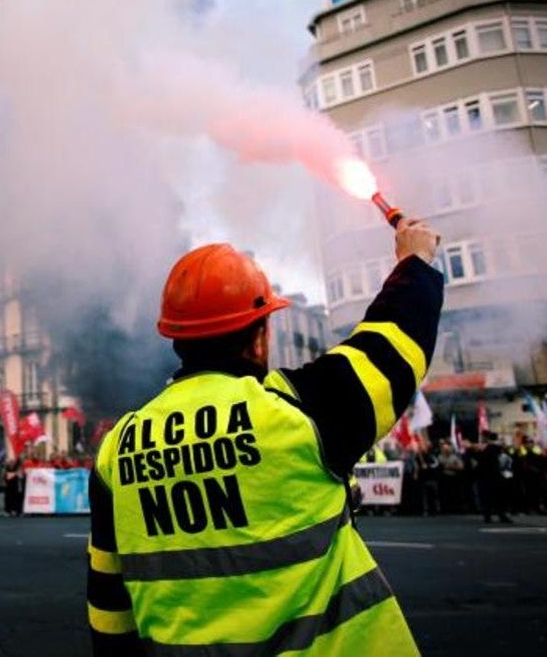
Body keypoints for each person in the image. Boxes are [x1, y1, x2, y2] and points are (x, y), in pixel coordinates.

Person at [88, 219, 442, 656]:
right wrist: (416, 261)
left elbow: (108, 612)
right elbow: (395, 345)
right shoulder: (297, 411)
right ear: (259, 338)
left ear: (176, 337)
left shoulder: (116, 451)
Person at [473, 431, 513, 524]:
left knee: (490, 497)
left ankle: (490, 516)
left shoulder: (487, 449)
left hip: (489, 476)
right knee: (496, 497)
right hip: (494, 476)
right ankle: (498, 515)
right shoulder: (496, 449)